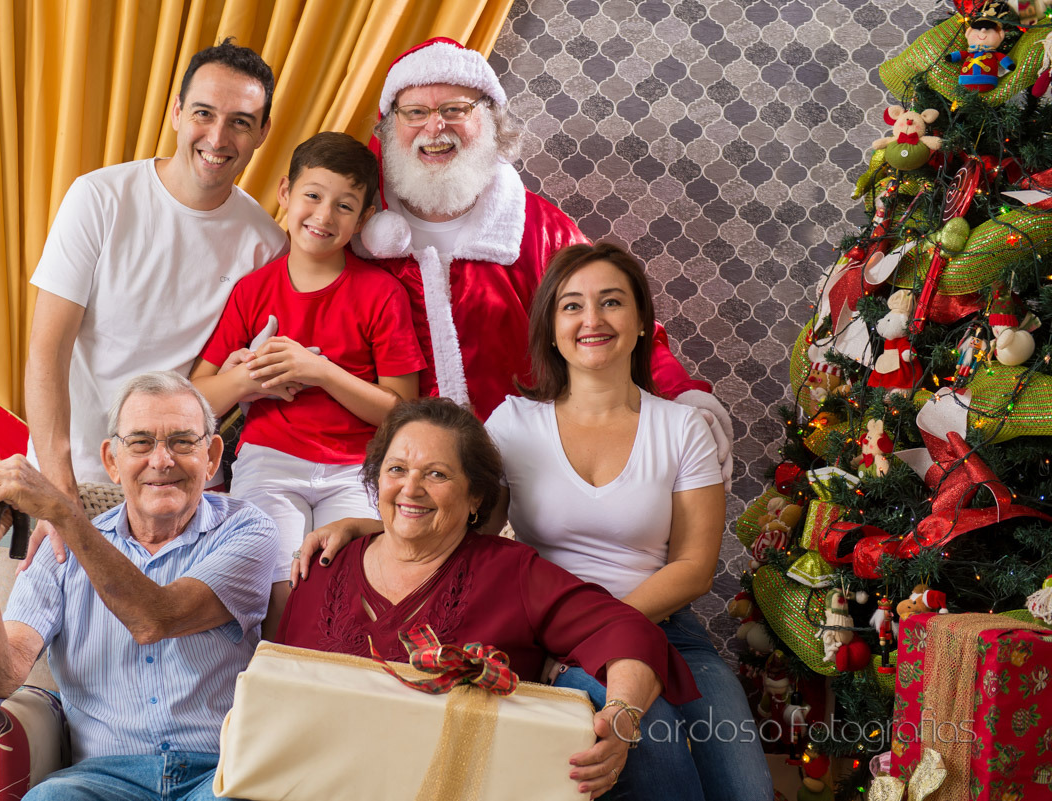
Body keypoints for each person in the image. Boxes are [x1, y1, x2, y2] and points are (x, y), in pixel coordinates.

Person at [351, 37, 733, 486]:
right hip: (370, 478)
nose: (435, 128)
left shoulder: (541, 231)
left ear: (490, 119)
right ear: (389, 125)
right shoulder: (350, 226)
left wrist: (680, 393)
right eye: (415, 112)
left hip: (515, 478)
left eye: (456, 109)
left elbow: (613, 324)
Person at [277, 397, 700, 800]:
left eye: (437, 474)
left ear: (475, 496)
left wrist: (621, 715)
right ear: (376, 478)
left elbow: (627, 631)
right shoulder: (323, 566)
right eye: (397, 469)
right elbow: (279, 699)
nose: (411, 488)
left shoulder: (512, 572)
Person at [481, 243, 773, 801]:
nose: (592, 319)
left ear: (641, 323)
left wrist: (604, 623)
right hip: (559, 637)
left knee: (744, 788)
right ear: (549, 327)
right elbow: (470, 536)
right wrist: (364, 529)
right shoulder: (512, 424)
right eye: (572, 306)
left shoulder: (684, 426)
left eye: (611, 302)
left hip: (667, 627)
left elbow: (693, 568)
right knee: (656, 744)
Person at [22, 38, 288, 569]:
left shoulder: (265, 244)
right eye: (204, 113)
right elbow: (46, 353)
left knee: (165, 647)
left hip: (177, 493)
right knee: (53, 648)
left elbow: (231, 384)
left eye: (240, 121)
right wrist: (58, 492)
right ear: (176, 113)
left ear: (262, 133)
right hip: (75, 476)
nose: (217, 137)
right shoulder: (99, 199)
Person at [0, 372, 277, 800]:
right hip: (100, 779)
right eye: (141, 443)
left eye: (183, 441)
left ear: (212, 455)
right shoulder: (60, 549)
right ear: (112, 460)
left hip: (221, 774)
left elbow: (156, 618)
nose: (162, 460)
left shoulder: (247, 530)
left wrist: (65, 515)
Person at [191, 131, 425, 638]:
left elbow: (402, 412)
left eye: (345, 206)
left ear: (363, 220)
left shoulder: (381, 294)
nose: (323, 215)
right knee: (275, 587)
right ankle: (269, 689)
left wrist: (318, 371)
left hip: (356, 468)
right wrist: (251, 377)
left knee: (340, 590)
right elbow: (197, 399)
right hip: (270, 460)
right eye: (312, 196)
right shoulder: (254, 290)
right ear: (285, 193)